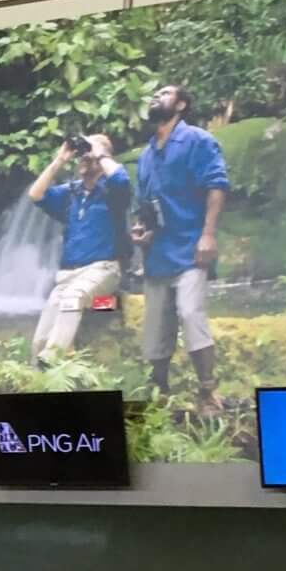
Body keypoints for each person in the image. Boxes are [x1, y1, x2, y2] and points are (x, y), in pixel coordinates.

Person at [132, 82, 229, 410]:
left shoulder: (198, 141)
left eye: (165, 93)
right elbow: (143, 205)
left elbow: (217, 184)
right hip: (156, 254)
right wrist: (139, 229)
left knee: (190, 314)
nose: (157, 97)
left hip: (190, 248)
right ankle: (159, 393)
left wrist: (208, 234)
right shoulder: (146, 154)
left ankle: (207, 390)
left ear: (182, 104)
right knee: (156, 329)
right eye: (155, 94)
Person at [31, 134, 131, 356]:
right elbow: (36, 195)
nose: (84, 158)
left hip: (104, 271)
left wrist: (99, 150)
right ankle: (43, 362)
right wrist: (59, 160)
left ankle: (54, 357)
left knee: (73, 298)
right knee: (40, 340)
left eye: (90, 155)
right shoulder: (71, 192)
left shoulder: (113, 191)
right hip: (68, 278)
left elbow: (122, 179)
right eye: (82, 155)